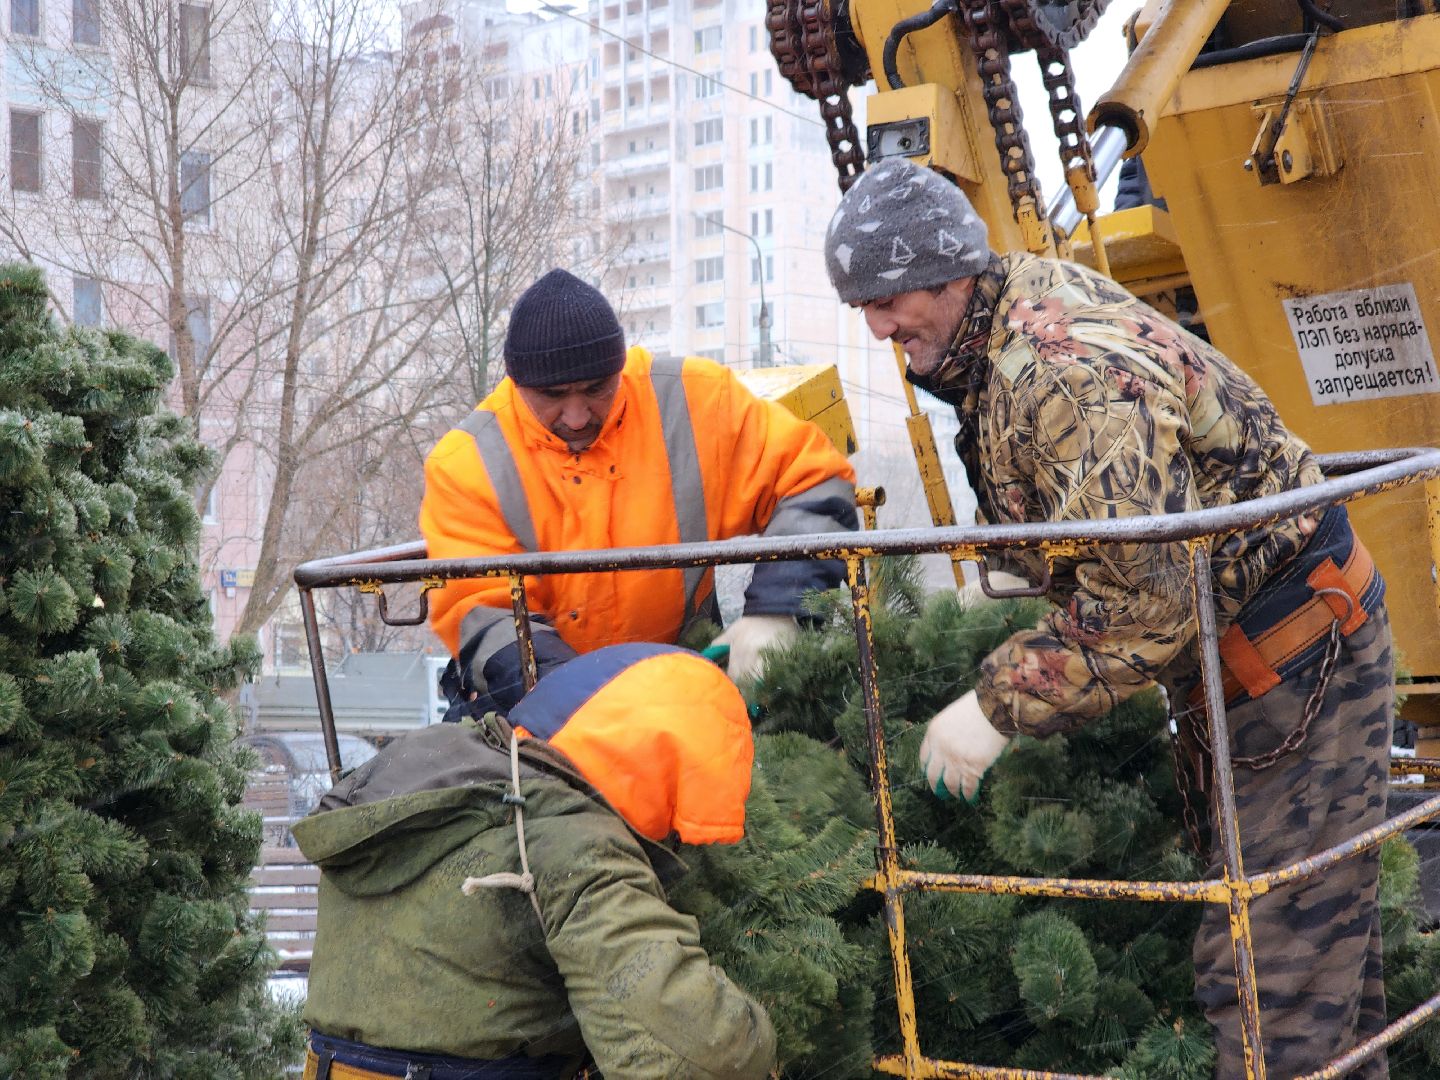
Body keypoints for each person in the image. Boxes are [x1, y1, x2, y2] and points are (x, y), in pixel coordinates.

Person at [824, 157, 1391, 1080]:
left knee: (1268, 980)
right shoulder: (1005, 326)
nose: (881, 329)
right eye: (867, 310)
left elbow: (1149, 602)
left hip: (1295, 661)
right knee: (1321, 977)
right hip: (1251, 663)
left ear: (949, 271)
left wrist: (998, 701)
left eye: (889, 301)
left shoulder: (1062, 373)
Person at [292, 642, 777, 1080]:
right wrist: (762, 1031)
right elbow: (696, 1052)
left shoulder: (436, 778)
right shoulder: (575, 844)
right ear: (669, 767)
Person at [420, 269, 858, 713]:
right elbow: (480, 611)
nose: (575, 417)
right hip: (531, 704)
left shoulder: (698, 403)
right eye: (552, 396)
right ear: (516, 383)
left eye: (596, 390)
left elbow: (814, 479)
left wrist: (778, 612)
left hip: (688, 681)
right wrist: (588, 702)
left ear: (620, 366)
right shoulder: (467, 463)